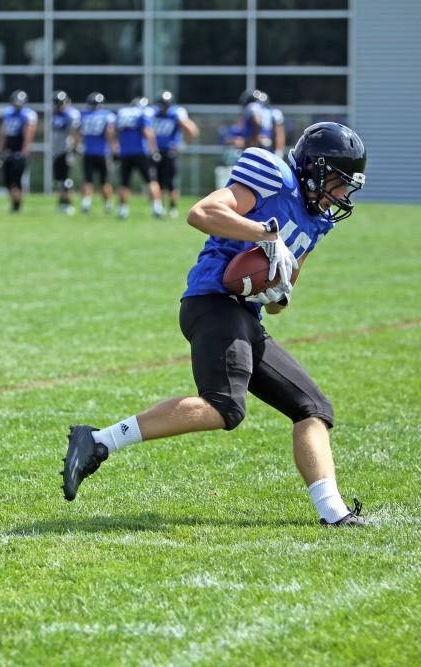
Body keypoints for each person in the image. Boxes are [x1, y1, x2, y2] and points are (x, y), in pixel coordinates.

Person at [60, 122, 369, 528]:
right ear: (314, 168)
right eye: (338, 182)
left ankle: (334, 513)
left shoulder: (316, 224)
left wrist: (277, 293)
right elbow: (202, 212)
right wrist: (263, 234)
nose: (342, 195)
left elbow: (281, 297)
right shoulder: (272, 176)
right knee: (224, 405)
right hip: (211, 302)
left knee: (312, 407)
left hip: (245, 315)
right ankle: (99, 441)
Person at [115, 96, 164, 220]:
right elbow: (147, 131)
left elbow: (115, 132)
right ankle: (157, 208)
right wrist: (154, 149)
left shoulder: (122, 113)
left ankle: (122, 210)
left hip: (125, 153)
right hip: (140, 152)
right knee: (151, 181)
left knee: (124, 183)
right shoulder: (143, 112)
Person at [152, 90, 199, 219]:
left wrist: (181, 146)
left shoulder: (175, 113)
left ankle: (172, 208)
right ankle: (159, 208)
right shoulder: (154, 113)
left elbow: (192, 130)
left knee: (171, 182)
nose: (162, 107)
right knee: (157, 181)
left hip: (169, 151)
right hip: (156, 151)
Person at [0, 89, 37, 213]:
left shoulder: (28, 115)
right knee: (7, 181)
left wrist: (23, 152)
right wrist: (0, 151)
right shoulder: (8, 113)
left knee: (17, 180)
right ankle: (14, 204)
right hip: (8, 150)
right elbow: (3, 133)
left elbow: (28, 134)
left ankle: (17, 206)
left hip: (19, 152)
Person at [78, 91, 117, 214]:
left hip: (88, 151)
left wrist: (76, 146)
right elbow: (109, 133)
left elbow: (77, 132)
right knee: (105, 181)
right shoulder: (107, 115)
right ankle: (107, 204)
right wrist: (114, 148)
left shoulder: (83, 115)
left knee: (87, 180)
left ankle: (85, 203)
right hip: (102, 152)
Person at [50, 90, 81, 215]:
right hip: (57, 150)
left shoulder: (71, 115)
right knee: (59, 180)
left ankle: (67, 203)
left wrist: (74, 148)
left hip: (66, 150)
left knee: (66, 179)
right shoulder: (54, 114)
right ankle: (61, 202)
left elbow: (76, 133)